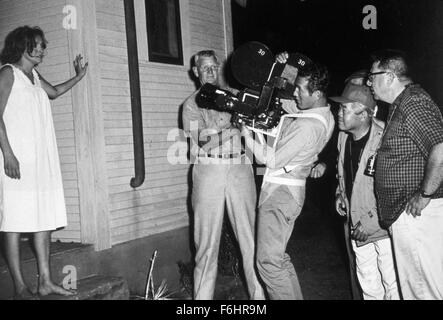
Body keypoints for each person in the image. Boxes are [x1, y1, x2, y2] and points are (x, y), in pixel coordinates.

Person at [0, 26, 88, 299]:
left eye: (42, 45)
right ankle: (20, 287)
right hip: (15, 160)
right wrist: (8, 154)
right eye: (36, 45)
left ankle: (46, 282)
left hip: (39, 160)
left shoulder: (34, 75)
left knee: (43, 219)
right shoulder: (7, 73)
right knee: (14, 221)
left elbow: (55, 92)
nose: (42, 50)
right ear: (21, 46)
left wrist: (79, 76)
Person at [242, 53, 335, 299]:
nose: (295, 94)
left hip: (280, 195)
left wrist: (246, 134)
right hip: (290, 192)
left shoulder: (308, 126)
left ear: (316, 94)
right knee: (278, 261)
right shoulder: (324, 114)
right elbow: (287, 102)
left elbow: (270, 160)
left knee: (268, 265)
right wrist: (285, 66)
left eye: (300, 91)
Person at [182, 50, 264, 300]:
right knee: (206, 245)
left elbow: (259, 122)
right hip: (209, 170)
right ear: (195, 72)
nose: (210, 72)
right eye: (204, 68)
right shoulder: (190, 104)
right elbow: (205, 143)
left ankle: (259, 298)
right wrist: (234, 126)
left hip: (240, 167)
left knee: (250, 239)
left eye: (213, 67)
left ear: (219, 68)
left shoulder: (237, 98)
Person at [368, 49, 443, 300]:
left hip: (418, 215)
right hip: (408, 217)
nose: (369, 82)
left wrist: (424, 194)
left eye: (372, 76)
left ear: (389, 76)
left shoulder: (413, 102)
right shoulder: (401, 105)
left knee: (423, 290)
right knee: (414, 290)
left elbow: (441, 148)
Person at [331, 81, 399, 300]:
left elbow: (396, 190)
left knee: (393, 287)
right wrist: (340, 194)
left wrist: (370, 223)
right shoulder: (343, 136)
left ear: (363, 115)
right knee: (369, 286)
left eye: (344, 109)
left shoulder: (384, 142)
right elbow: (342, 172)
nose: (338, 113)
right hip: (357, 224)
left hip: (384, 229)